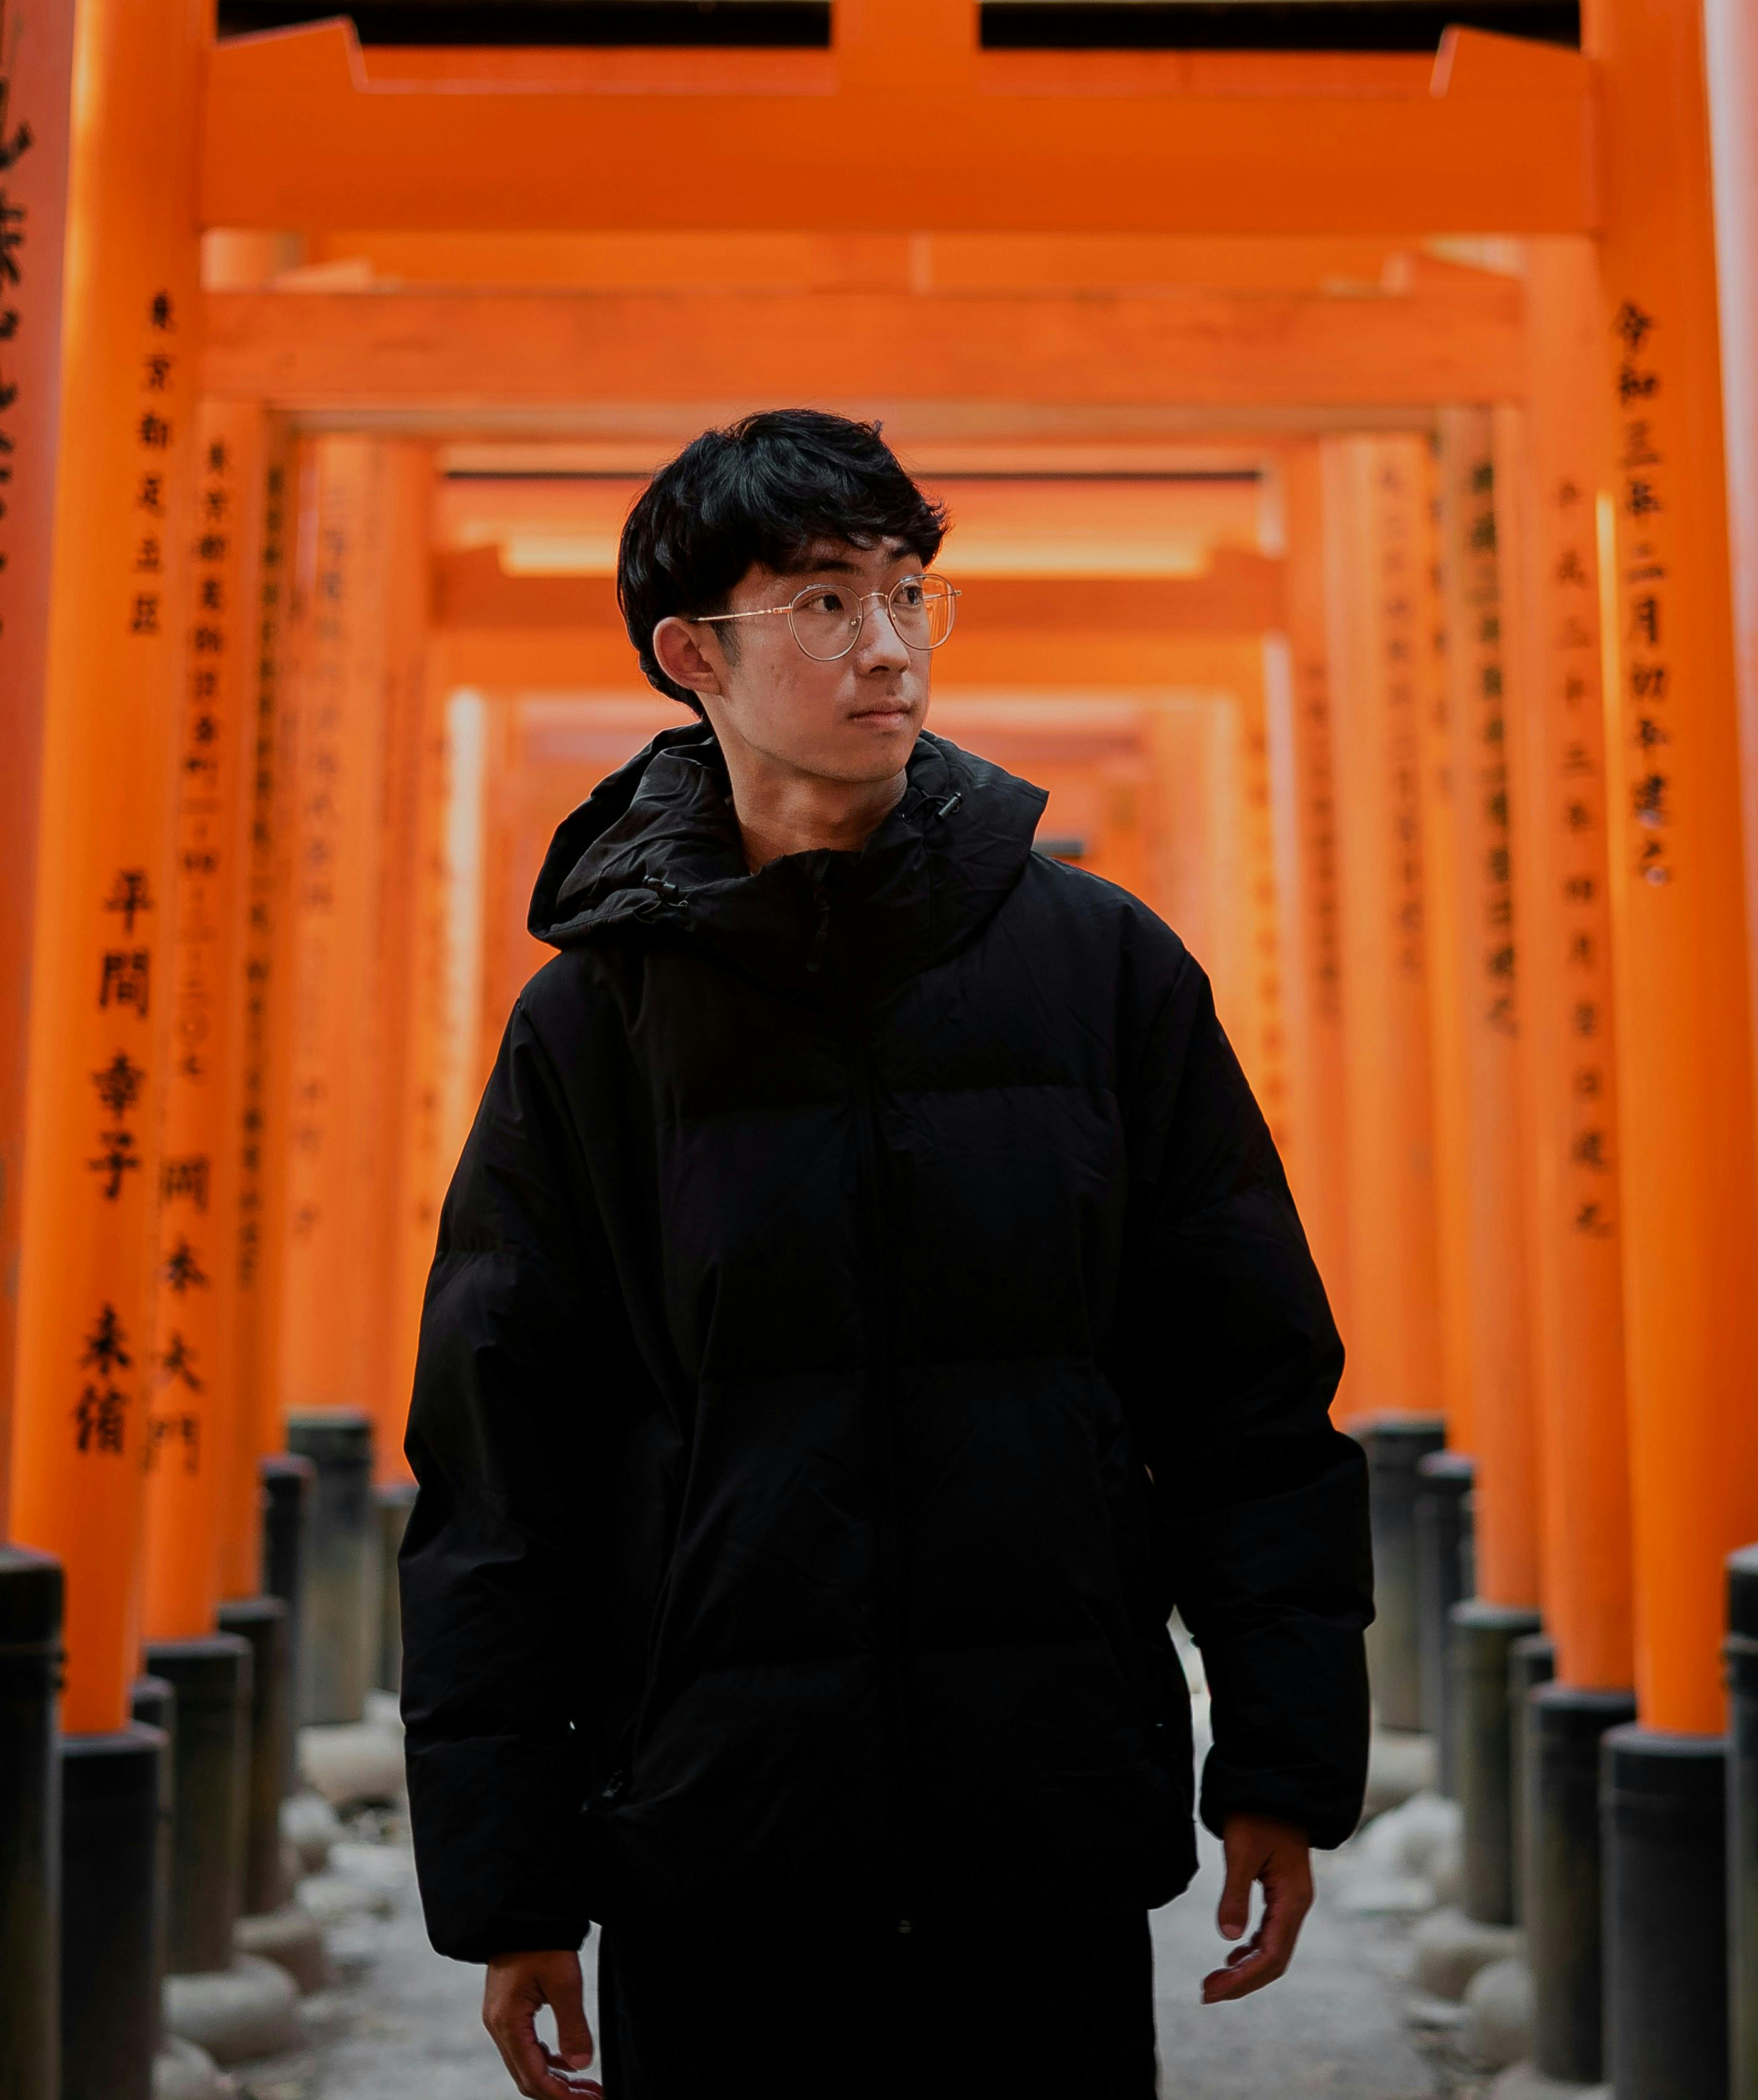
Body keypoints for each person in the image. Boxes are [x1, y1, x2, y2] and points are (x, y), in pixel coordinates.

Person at [399, 410, 1371, 2100]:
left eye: (910, 593)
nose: (889, 646)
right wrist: (509, 1882)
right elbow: (500, 1469)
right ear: (688, 653)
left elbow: (1245, 1384)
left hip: (1039, 1825)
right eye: (826, 602)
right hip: (715, 1844)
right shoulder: (596, 1028)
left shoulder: (1101, 967)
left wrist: (1279, 1758)